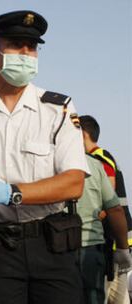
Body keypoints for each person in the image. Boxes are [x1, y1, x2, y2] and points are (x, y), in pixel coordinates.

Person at [0, 10, 88, 304]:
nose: (25, 53)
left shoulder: (57, 109)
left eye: (31, 47)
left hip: (51, 245)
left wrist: (11, 193)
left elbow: (73, 183)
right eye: (15, 44)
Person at [79, 115, 132, 304]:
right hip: (120, 239)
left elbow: (108, 202)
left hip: (113, 241)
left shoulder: (98, 159)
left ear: (83, 134)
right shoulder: (106, 157)